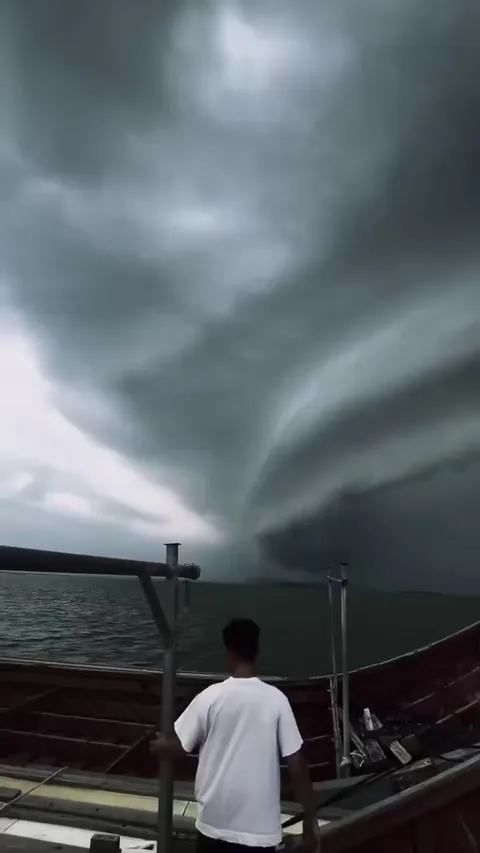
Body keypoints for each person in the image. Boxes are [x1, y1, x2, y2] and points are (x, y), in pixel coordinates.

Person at [152, 618, 320, 852]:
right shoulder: (277, 700)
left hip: (213, 827)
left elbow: (178, 748)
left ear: (229, 652)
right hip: (260, 837)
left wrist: (159, 746)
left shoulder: (210, 697)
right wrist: (310, 824)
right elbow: (297, 765)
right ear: (256, 651)